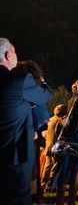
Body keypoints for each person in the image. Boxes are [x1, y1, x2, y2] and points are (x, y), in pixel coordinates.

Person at [0, 38, 51, 205]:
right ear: (8, 55)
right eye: (15, 52)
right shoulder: (19, 81)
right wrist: (42, 82)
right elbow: (45, 96)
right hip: (14, 158)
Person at [41, 104, 67, 192]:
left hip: (48, 146)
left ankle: (43, 184)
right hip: (57, 148)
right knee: (55, 169)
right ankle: (50, 186)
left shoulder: (49, 120)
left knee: (47, 167)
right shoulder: (61, 121)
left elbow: (43, 133)